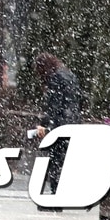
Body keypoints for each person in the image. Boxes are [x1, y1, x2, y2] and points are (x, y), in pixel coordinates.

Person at [33, 52, 84, 209]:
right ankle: (62, 196)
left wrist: (46, 126)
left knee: (55, 161)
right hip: (72, 123)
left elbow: (54, 106)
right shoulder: (69, 75)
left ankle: (56, 199)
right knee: (63, 161)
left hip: (60, 125)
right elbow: (77, 101)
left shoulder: (55, 79)